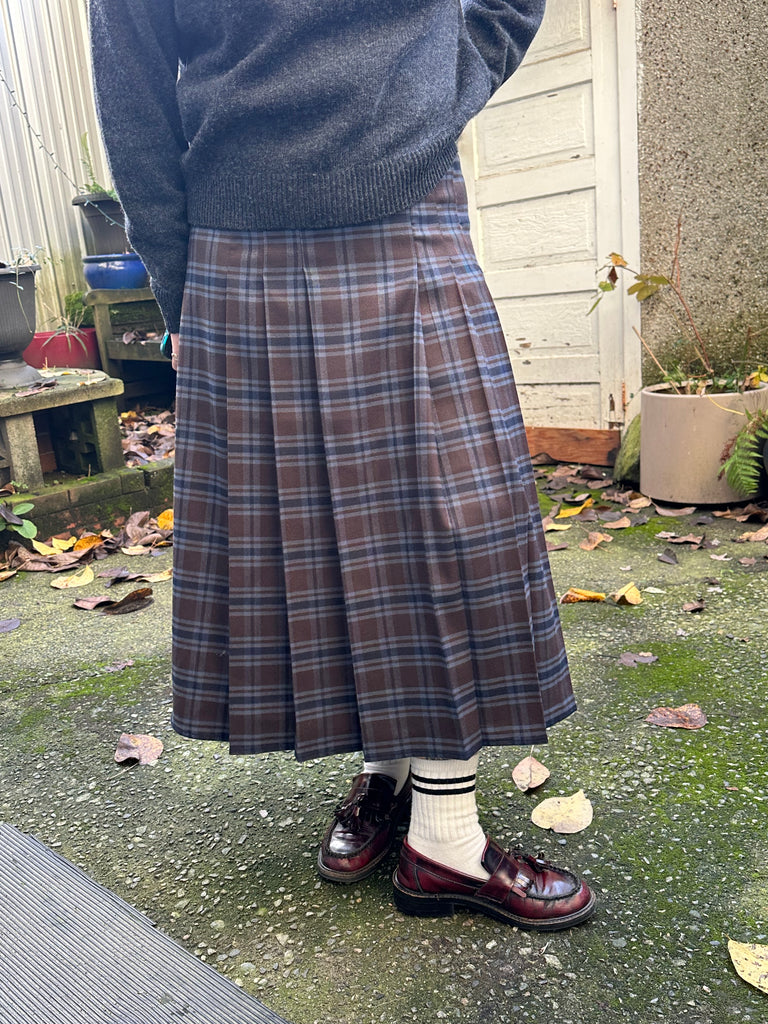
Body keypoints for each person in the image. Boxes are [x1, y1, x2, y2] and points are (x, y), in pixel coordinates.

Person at [90, 0, 594, 932]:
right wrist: (182, 284)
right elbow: (133, 87)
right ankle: (390, 775)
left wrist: (442, 89)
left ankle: (444, 835)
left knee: (444, 523)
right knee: (326, 535)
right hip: (237, 237)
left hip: (401, 196)